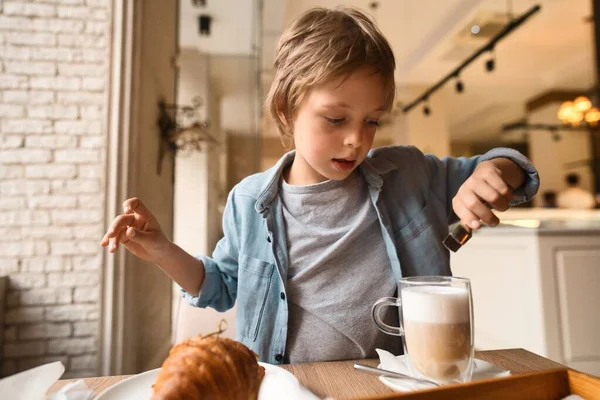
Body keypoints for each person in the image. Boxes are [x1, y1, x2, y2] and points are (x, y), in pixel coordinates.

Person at [101, 7, 539, 365]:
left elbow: (511, 168)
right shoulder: (249, 200)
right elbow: (220, 286)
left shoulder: (406, 175)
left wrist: (498, 171)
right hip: (290, 386)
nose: (357, 139)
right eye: (335, 119)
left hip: (398, 382)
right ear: (288, 110)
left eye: (372, 121)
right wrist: (161, 248)